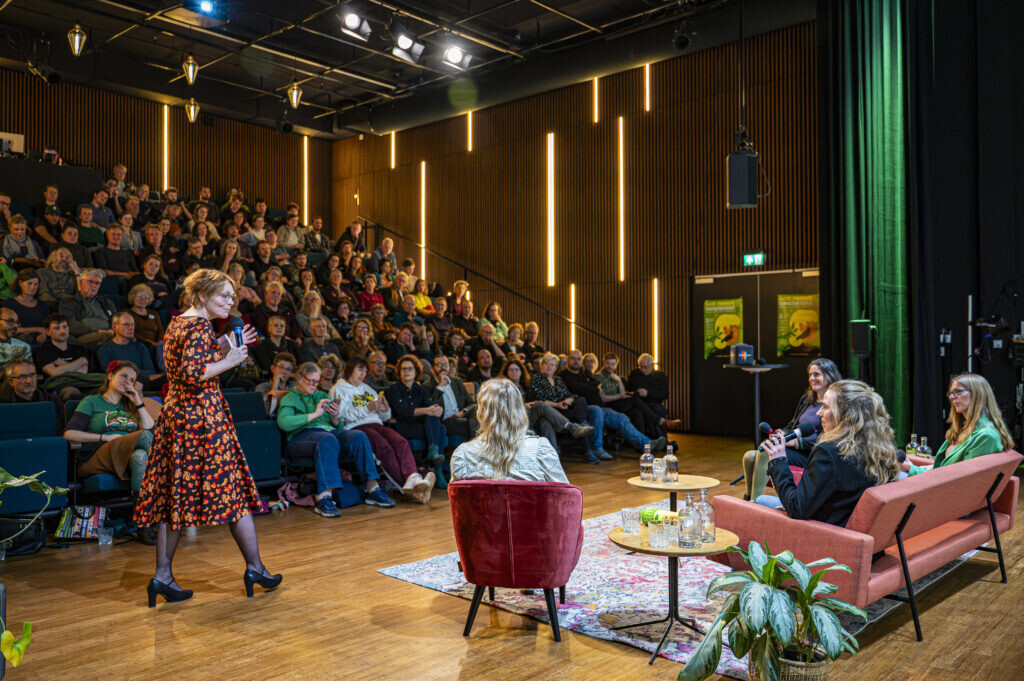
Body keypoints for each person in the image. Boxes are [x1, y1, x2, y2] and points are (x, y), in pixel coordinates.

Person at [133, 268, 281, 607]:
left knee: (174, 498)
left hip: (178, 416)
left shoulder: (179, 322)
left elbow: (191, 361)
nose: (230, 302)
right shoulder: (200, 326)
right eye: (224, 296)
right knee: (234, 492)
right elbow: (194, 372)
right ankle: (255, 569)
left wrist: (224, 344)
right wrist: (230, 359)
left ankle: (162, 576)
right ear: (202, 295)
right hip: (203, 419)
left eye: (232, 296)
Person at [758, 379, 900, 526]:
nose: (818, 413)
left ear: (846, 415)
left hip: (825, 531)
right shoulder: (881, 449)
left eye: (825, 407)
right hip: (849, 526)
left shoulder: (828, 452)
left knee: (759, 501)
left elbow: (797, 509)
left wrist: (778, 461)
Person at [276, 362, 394, 516]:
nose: (314, 385)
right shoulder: (290, 397)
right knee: (326, 439)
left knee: (358, 436)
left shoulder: (322, 396)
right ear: (300, 379)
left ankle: (373, 488)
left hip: (328, 433)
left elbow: (338, 426)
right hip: (301, 437)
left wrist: (336, 417)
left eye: (316, 381)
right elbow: (284, 423)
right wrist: (314, 415)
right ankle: (324, 497)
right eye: (310, 381)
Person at [330, 357, 435, 503]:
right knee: (384, 448)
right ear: (350, 370)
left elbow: (385, 417)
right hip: (356, 428)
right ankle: (410, 488)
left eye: (365, 371)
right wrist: (367, 408)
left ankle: (413, 477)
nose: (362, 374)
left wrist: (385, 409)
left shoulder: (368, 389)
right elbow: (343, 416)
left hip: (377, 424)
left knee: (401, 442)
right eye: (359, 370)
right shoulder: (338, 389)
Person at [741, 358, 842, 501]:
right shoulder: (807, 399)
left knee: (766, 451)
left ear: (829, 375)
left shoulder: (834, 404)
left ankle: (753, 502)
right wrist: (783, 433)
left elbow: (827, 438)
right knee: (749, 456)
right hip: (793, 449)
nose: (812, 378)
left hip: (810, 454)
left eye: (816, 374)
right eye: (810, 375)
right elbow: (793, 424)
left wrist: (795, 442)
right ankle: (748, 498)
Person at [451, 378, 569, 483]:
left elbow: (458, 498)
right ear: (521, 411)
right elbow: (565, 495)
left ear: (481, 413)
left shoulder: (463, 455)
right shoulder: (541, 450)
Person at [63, 360, 155, 492]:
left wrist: (137, 401)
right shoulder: (92, 401)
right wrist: (104, 437)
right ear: (110, 376)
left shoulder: (131, 406)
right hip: (99, 453)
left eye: (132, 380)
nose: (127, 382)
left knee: (140, 456)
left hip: (126, 455)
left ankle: (141, 502)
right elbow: (69, 434)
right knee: (145, 436)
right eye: (123, 376)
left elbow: (150, 428)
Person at [902, 373, 1014, 476]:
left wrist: (912, 469)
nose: (951, 397)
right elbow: (948, 468)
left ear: (977, 395)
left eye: (958, 391)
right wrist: (928, 468)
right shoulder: (963, 428)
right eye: (951, 393)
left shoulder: (986, 436)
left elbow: (961, 479)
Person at [499, 356, 591, 451]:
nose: (514, 372)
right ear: (507, 372)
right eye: (511, 370)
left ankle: (552, 455)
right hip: (515, 416)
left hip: (531, 415)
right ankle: (571, 427)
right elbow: (504, 406)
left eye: (516, 369)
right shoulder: (505, 387)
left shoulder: (526, 385)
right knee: (540, 404)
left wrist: (568, 399)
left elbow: (567, 394)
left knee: (545, 421)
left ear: (521, 371)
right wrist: (527, 404)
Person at [385, 355, 448, 477]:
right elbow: (403, 411)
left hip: (420, 426)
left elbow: (429, 406)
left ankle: (434, 455)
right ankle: (437, 470)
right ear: (399, 372)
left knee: (438, 423)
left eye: (410, 369)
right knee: (441, 429)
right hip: (402, 426)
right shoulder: (393, 389)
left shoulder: (420, 389)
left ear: (416, 372)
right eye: (403, 369)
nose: (406, 372)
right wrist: (428, 410)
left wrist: (436, 409)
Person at [96, 311, 164, 389]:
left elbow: (151, 371)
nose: (131, 328)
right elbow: (112, 374)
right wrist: (142, 375)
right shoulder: (104, 350)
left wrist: (127, 372)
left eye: (133, 324)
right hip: (121, 386)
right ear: (115, 327)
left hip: (144, 384)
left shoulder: (140, 347)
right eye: (126, 324)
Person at [0, 358, 64, 429]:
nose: (29, 381)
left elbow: (62, 429)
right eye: (22, 377)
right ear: (11, 382)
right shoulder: (3, 404)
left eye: (32, 375)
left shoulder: (53, 400)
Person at [3, 268, 50, 344]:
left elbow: (47, 329)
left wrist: (43, 334)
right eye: (29, 283)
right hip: (17, 341)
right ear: (20, 283)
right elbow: (7, 328)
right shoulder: (10, 303)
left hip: (41, 341)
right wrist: (37, 329)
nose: (33, 287)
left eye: (36, 284)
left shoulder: (43, 306)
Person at [0, 308, 32, 373]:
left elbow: (28, 372)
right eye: (10, 321)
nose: (15, 325)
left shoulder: (24, 347)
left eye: (17, 322)